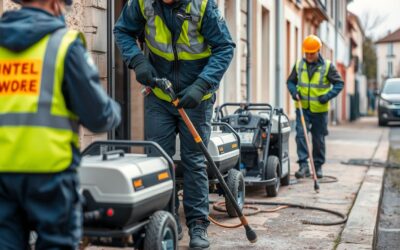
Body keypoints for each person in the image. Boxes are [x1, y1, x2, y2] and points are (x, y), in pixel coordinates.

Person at [0, 0, 121, 249]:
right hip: (50, 176)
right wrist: (114, 111)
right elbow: (98, 116)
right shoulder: (63, 45)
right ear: (56, 3)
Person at [114, 0, 235, 249]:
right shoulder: (142, 3)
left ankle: (198, 226)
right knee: (158, 161)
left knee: (194, 161)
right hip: (160, 96)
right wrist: (138, 60)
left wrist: (202, 84)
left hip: (196, 99)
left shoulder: (203, 7)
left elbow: (225, 47)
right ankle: (168, 220)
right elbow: (122, 30)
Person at [287, 35, 344, 179]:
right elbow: (290, 82)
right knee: (301, 136)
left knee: (318, 139)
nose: (309, 56)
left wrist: (327, 96)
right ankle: (304, 166)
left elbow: (339, 83)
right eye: (307, 53)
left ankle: (317, 167)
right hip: (303, 108)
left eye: (311, 53)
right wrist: (294, 92)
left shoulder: (328, 67)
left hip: (320, 110)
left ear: (318, 51)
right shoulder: (299, 64)